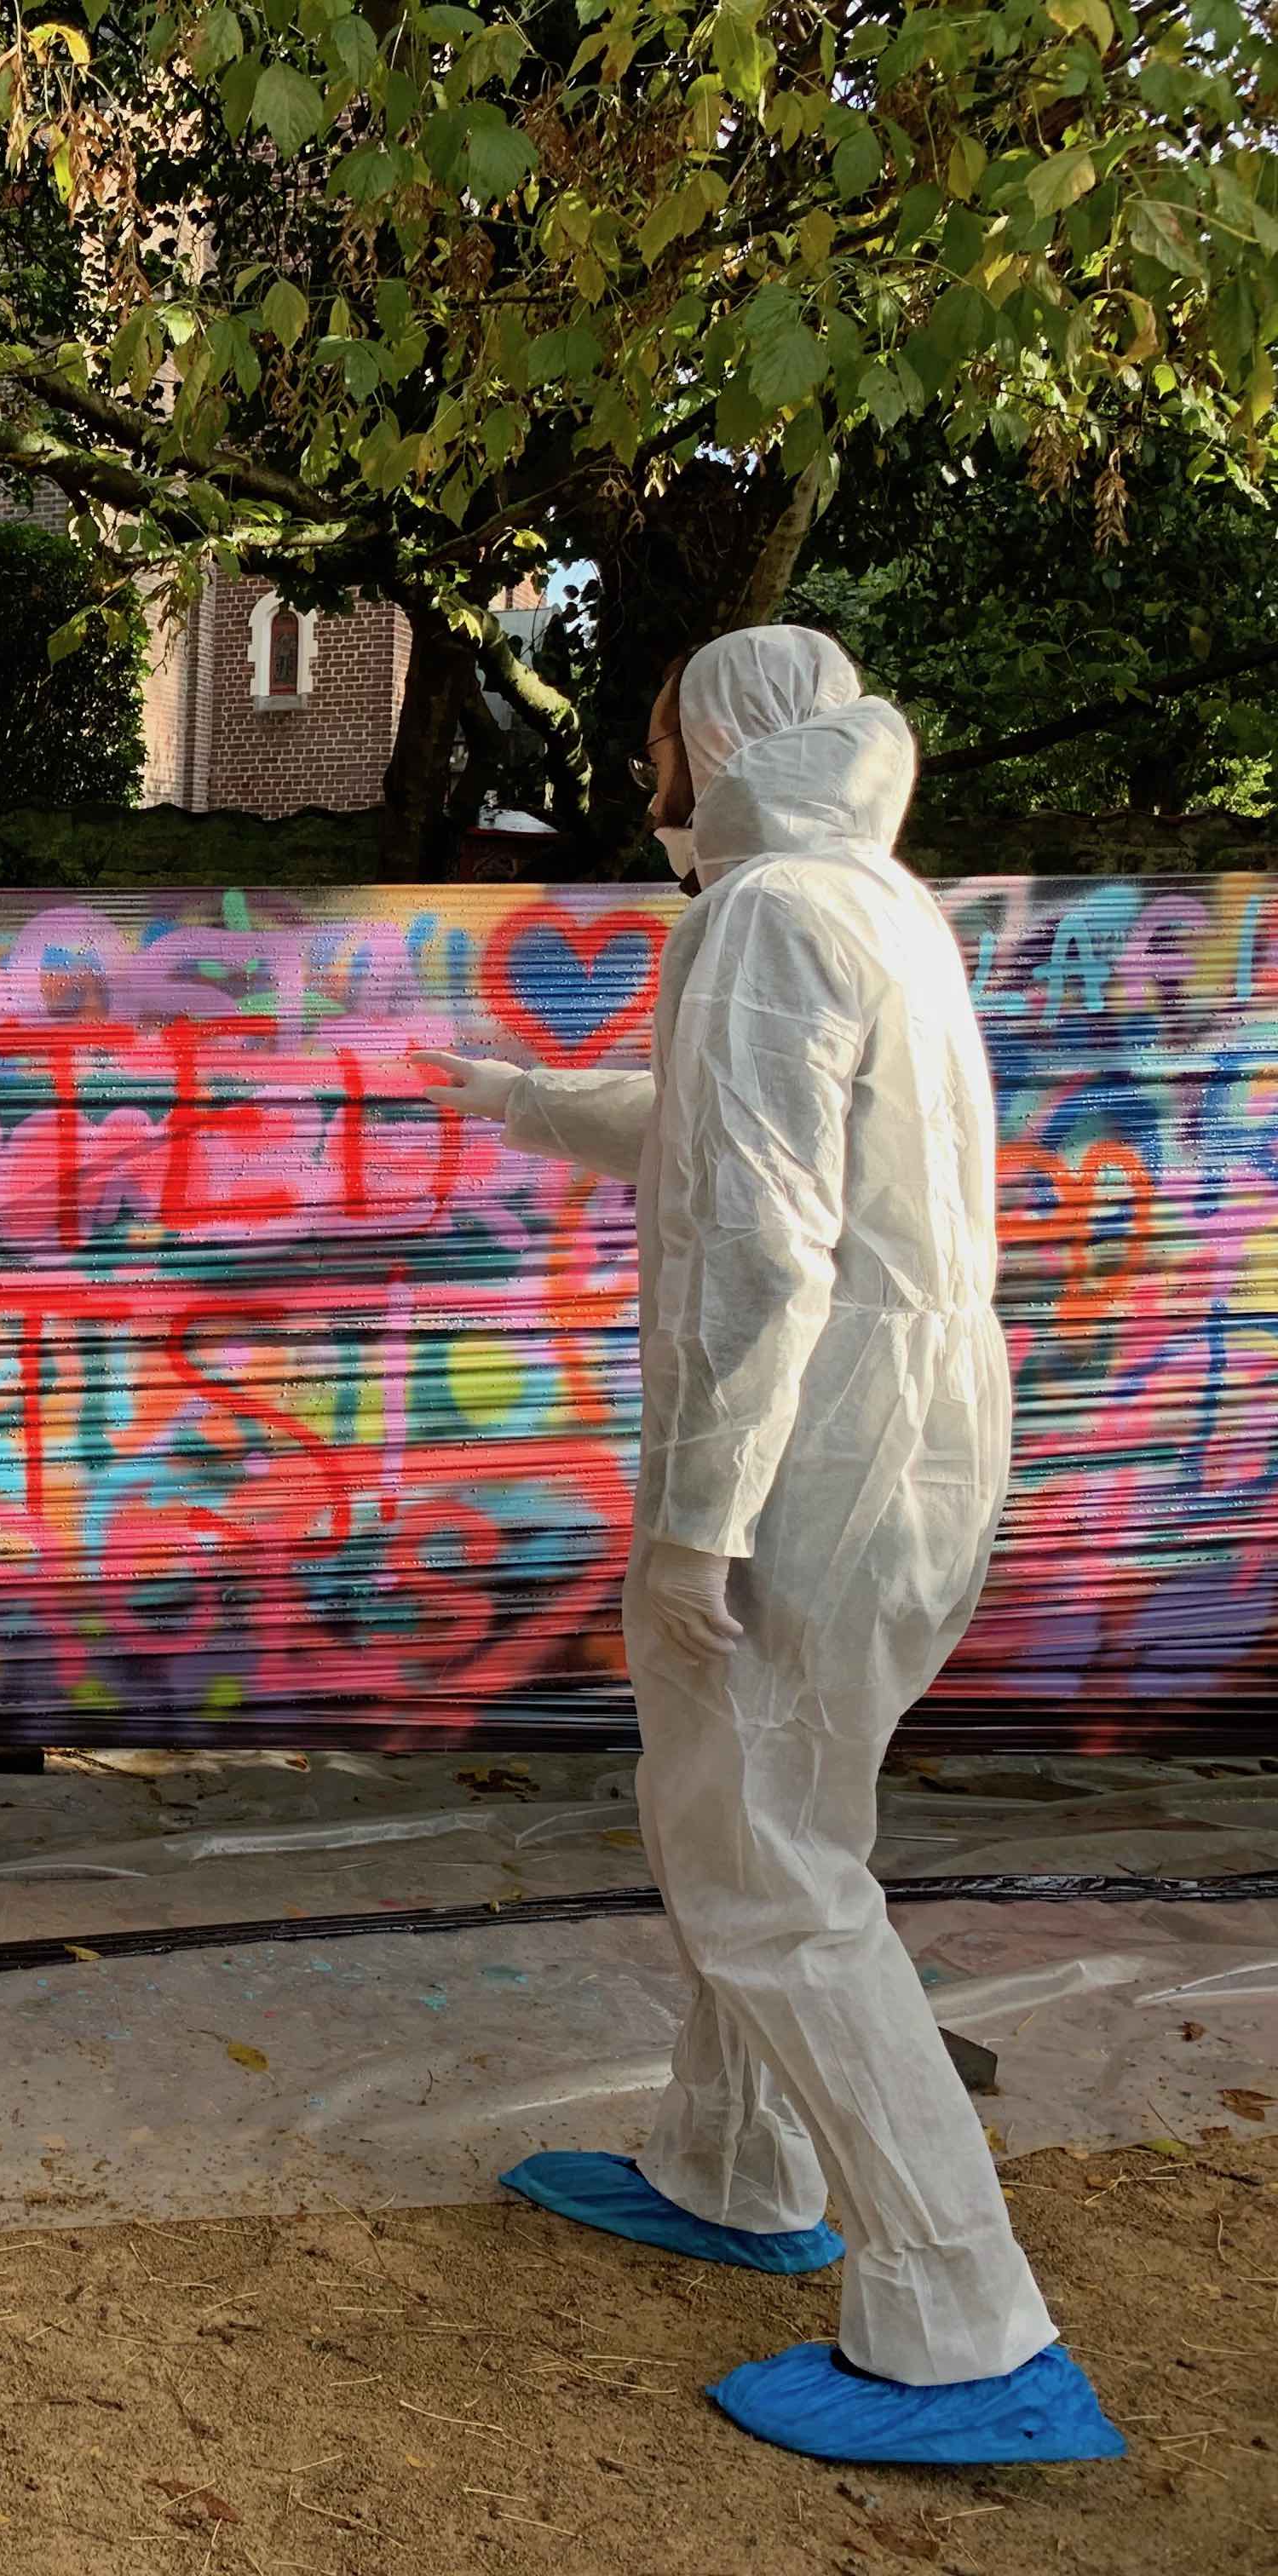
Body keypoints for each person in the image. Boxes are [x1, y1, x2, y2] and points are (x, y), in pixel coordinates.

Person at [413, 627, 1123, 2466]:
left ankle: (966, 2325)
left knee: (767, 1863)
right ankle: (734, 2166)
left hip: (815, 1452)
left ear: (720, 740)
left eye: (659, 738)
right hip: (914, 1432)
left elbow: (758, 1241)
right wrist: (516, 1095)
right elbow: (720, 1133)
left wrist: (697, 1523)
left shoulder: (764, 914)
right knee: (781, 1819)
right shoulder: (875, 903)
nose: (646, 771)